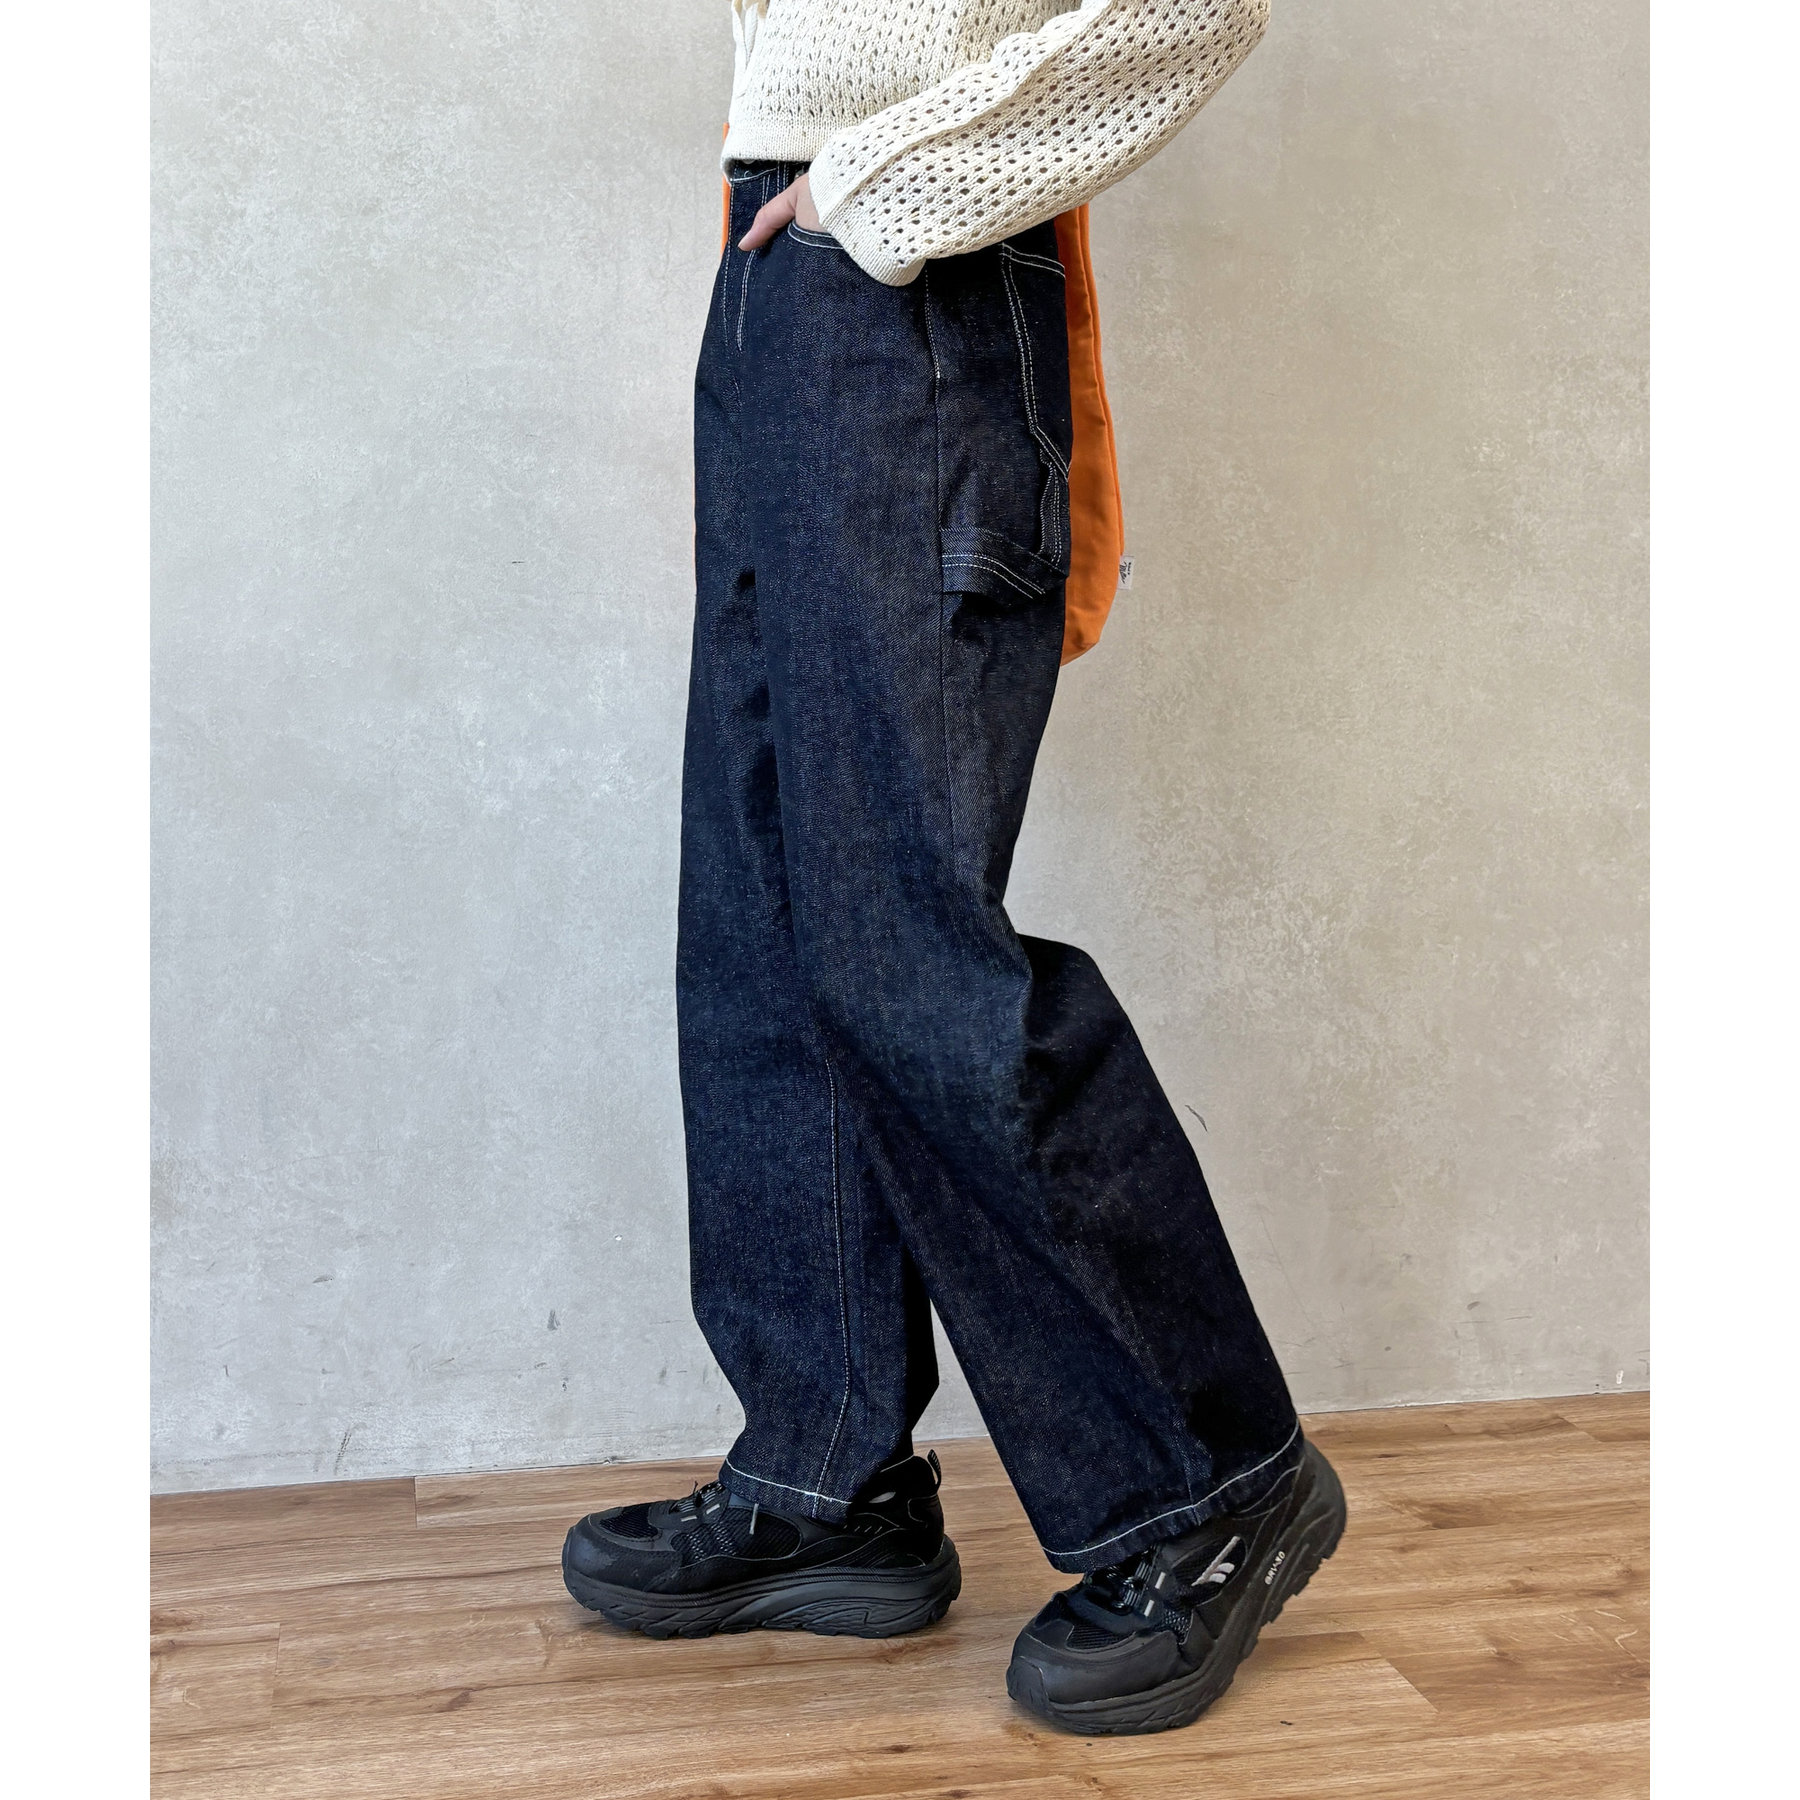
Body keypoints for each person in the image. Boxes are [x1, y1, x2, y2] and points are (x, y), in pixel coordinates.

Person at [561, 0, 1345, 1737]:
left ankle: (1213, 1485)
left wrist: (882, 186)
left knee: (901, 942)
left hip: (914, 286)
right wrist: (813, 205)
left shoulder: (896, 208)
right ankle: (829, 1467)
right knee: (767, 921)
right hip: (782, 272)